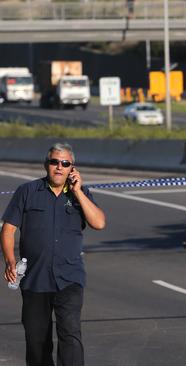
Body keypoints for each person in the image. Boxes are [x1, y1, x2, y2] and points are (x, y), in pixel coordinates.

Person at [2, 143, 106, 366]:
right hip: (35, 279)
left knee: (70, 336)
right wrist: (10, 260)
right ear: (46, 165)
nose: (59, 167)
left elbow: (99, 222)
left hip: (69, 278)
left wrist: (78, 191)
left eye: (65, 163)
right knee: (37, 341)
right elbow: (8, 230)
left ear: (72, 169)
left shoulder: (81, 195)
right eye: (54, 162)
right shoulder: (27, 192)